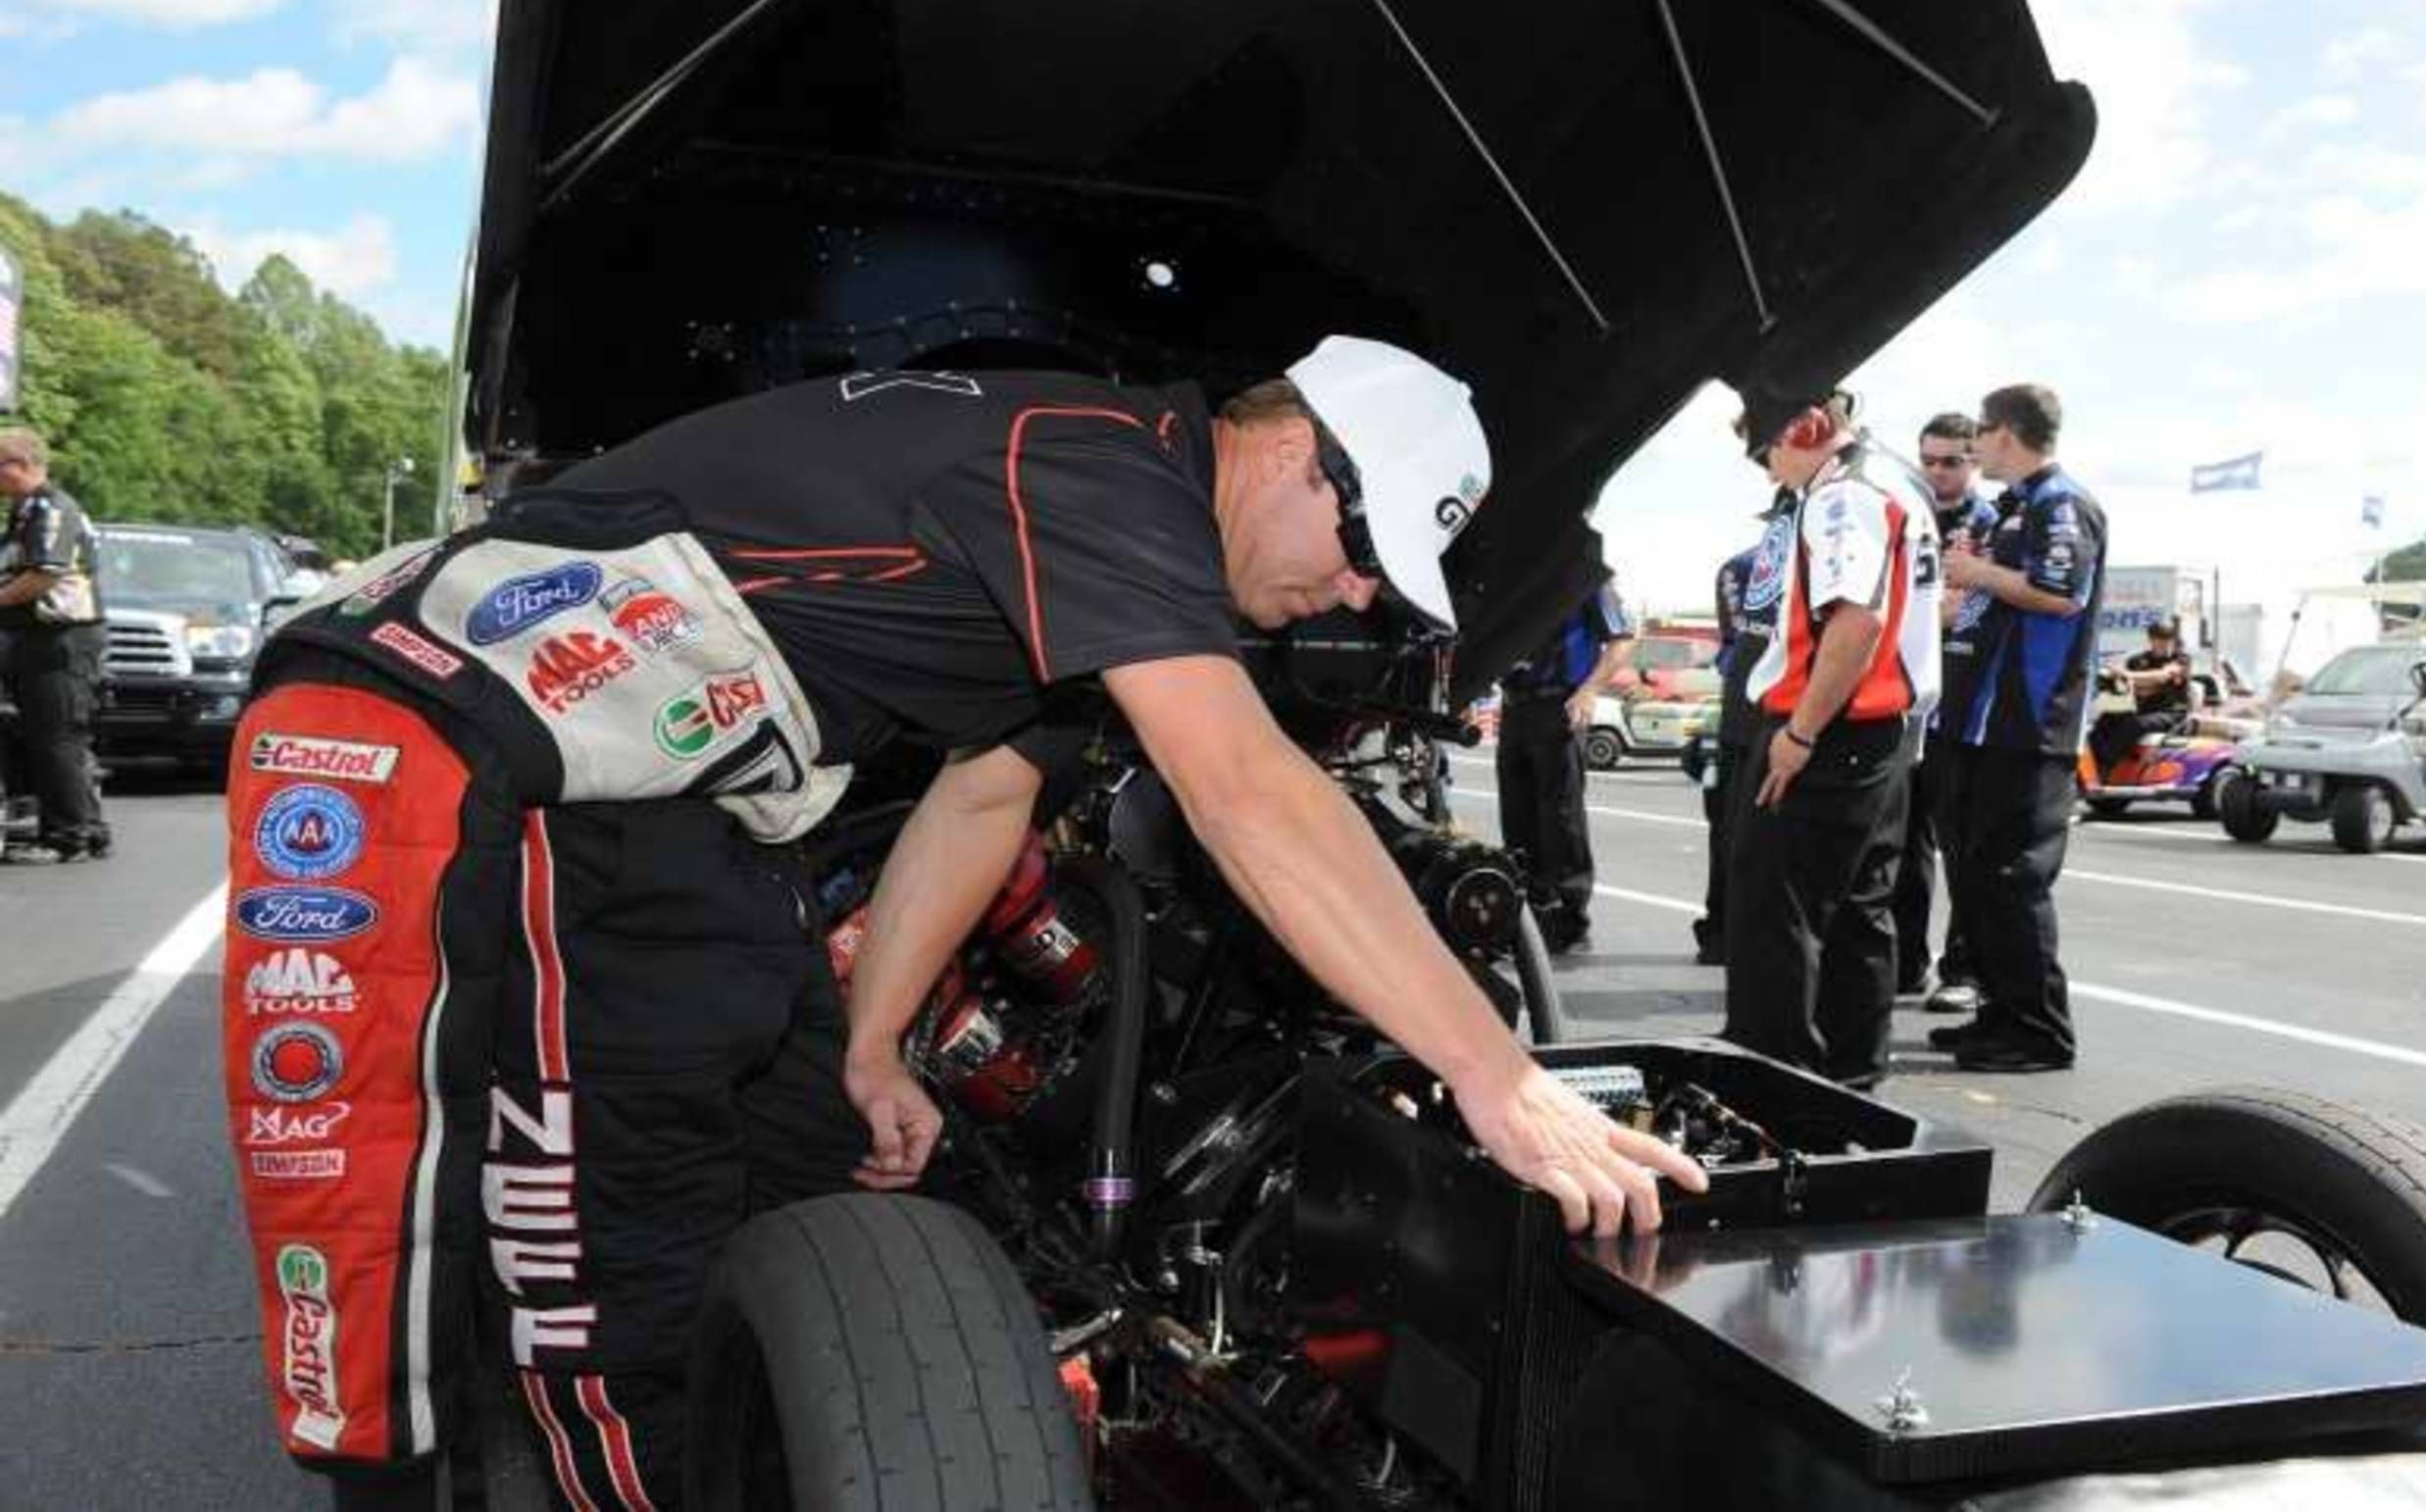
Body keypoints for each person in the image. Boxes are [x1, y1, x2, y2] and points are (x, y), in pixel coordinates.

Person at [222, 336, 1707, 1507]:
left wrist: (872, 1050)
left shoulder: (1091, 534)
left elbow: (983, 805)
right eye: (1361, 547)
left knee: (804, 1153)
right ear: (1290, 454)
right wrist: (1492, 1077)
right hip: (443, 731)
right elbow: (1247, 792)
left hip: (664, 798)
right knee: (581, 1254)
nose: (1352, 594)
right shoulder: (1100, 465)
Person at [1720, 398, 1940, 1089]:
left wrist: (1800, 731)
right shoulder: (1897, 478)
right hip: (1885, 734)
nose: (1767, 473)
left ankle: (1774, 1086)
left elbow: (1855, 623)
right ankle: (1853, 1081)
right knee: (1859, 915)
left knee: (1772, 915)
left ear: (1804, 430)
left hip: (1833, 729)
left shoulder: (1844, 493)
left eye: (1766, 453)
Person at [1931, 382, 2106, 1074]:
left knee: (2013, 879)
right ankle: (1999, 1015)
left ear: (2006, 432)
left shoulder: (2062, 503)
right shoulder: (2015, 506)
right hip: (1977, 721)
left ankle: (2039, 1030)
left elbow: (2060, 597)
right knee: (1976, 876)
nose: (1973, 445)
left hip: (2029, 726)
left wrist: (1977, 572)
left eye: (1980, 431)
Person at [1893, 413, 1997, 1015]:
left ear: (1975, 460)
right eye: (1928, 460)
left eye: (1951, 461)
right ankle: (1905, 960)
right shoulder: (1905, 513)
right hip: (1906, 708)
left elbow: (1965, 610)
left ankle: (1966, 970)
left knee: (1964, 850)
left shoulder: (1991, 524)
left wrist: (1909, 612)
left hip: (1964, 707)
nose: (1936, 471)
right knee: (1900, 848)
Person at [1498, 564, 1637, 953]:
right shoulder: (1511, 576)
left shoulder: (1586, 572)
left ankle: (1569, 920)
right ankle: (1527, 913)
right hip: (1515, 706)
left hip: (1561, 704)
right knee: (1517, 816)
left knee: (1560, 817)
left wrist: (1590, 690)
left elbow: (1623, 638)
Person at [0, 427, 112, 864]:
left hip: (61, 636)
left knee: (57, 736)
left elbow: (44, 574)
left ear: (19, 466)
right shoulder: (24, 511)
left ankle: (70, 835)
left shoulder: (52, 508)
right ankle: (87, 826)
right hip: (33, 635)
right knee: (49, 735)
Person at [1693, 533, 1771, 966]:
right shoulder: (1749, 566)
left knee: (1729, 827)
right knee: (1738, 829)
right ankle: (1728, 930)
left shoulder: (1737, 565)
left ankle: (1722, 930)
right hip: (1757, 708)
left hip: (1744, 710)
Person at [2087, 618, 2193, 770]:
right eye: (2159, 637)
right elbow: (2136, 689)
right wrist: (2120, 678)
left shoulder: (2181, 660)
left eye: (2169, 638)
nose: (2164, 642)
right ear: (2151, 639)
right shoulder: (2137, 661)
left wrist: (2130, 676)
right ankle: (2090, 763)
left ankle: (2106, 765)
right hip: (2144, 711)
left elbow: (2161, 676)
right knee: (2107, 719)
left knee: (2135, 724)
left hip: (2171, 713)